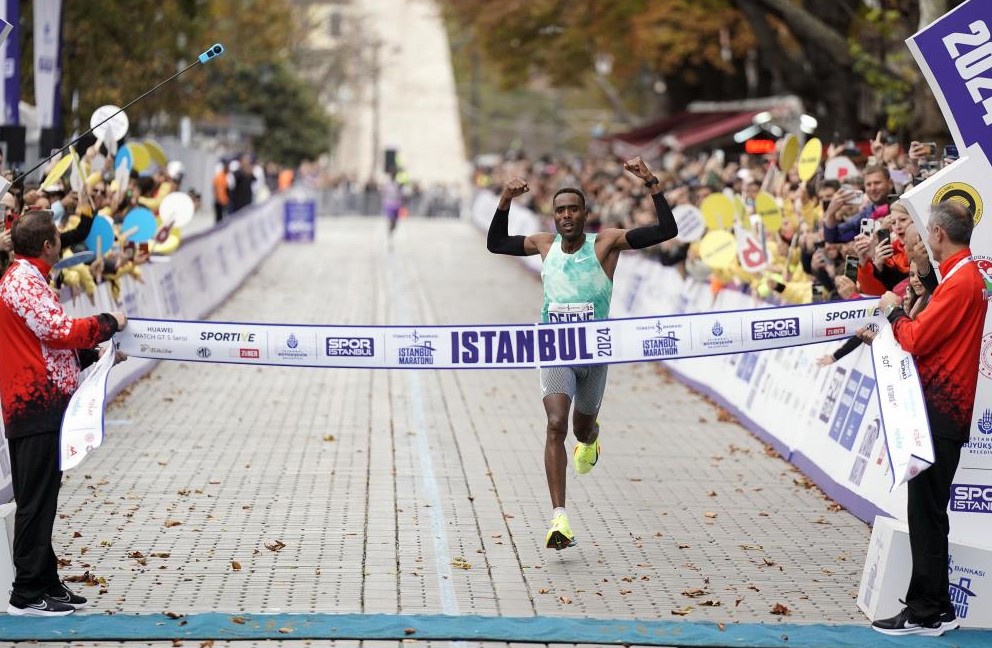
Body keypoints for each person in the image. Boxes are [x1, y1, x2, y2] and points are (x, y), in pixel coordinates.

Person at [487, 156, 678, 550]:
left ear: (585, 213)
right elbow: (496, 243)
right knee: (556, 423)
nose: (567, 215)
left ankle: (591, 438)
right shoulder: (544, 244)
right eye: (560, 210)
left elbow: (666, 230)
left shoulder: (606, 243)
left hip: (595, 354)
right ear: (553, 216)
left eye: (574, 209)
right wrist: (505, 199)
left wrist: (651, 183)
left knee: (579, 428)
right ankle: (560, 519)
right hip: (555, 348)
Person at [0, 211, 127, 616]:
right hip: (33, 404)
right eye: (58, 236)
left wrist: (95, 355)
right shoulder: (22, 280)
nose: (61, 240)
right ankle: (25, 593)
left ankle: (45, 581)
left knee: (43, 497)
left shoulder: (30, 277)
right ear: (48, 245)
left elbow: (47, 342)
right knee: (35, 500)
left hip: (43, 400)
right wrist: (109, 322)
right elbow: (57, 330)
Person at [872, 202, 986, 636]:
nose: (920, 239)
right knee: (932, 514)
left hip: (940, 411)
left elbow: (915, 339)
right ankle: (936, 607)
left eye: (924, 232)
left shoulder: (962, 280)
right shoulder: (966, 275)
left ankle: (924, 611)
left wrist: (893, 308)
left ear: (938, 233)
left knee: (925, 514)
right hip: (943, 409)